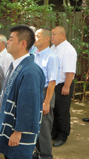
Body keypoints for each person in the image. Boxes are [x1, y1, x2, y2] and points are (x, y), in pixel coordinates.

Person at [0, 25, 45, 159]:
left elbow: (29, 106)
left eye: (10, 39)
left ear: (23, 43)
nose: (7, 42)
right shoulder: (15, 65)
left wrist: (18, 132)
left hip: (18, 132)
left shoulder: (30, 71)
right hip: (9, 126)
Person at [33, 28, 60, 159]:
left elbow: (52, 81)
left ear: (46, 39)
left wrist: (47, 102)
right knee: (34, 125)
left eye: (38, 36)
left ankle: (45, 156)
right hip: (34, 93)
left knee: (43, 128)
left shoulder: (51, 57)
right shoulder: (34, 55)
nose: (35, 38)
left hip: (44, 94)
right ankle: (38, 153)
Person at [50, 26, 77, 147]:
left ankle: (63, 135)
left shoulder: (68, 50)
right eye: (51, 34)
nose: (52, 37)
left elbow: (70, 71)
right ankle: (54, 132)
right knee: (54, 110)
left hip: (63, 84)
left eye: (54, 34)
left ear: (63, 35)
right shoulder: (53, 48)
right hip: (53, 84)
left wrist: (66, 86)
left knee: (62, 112)